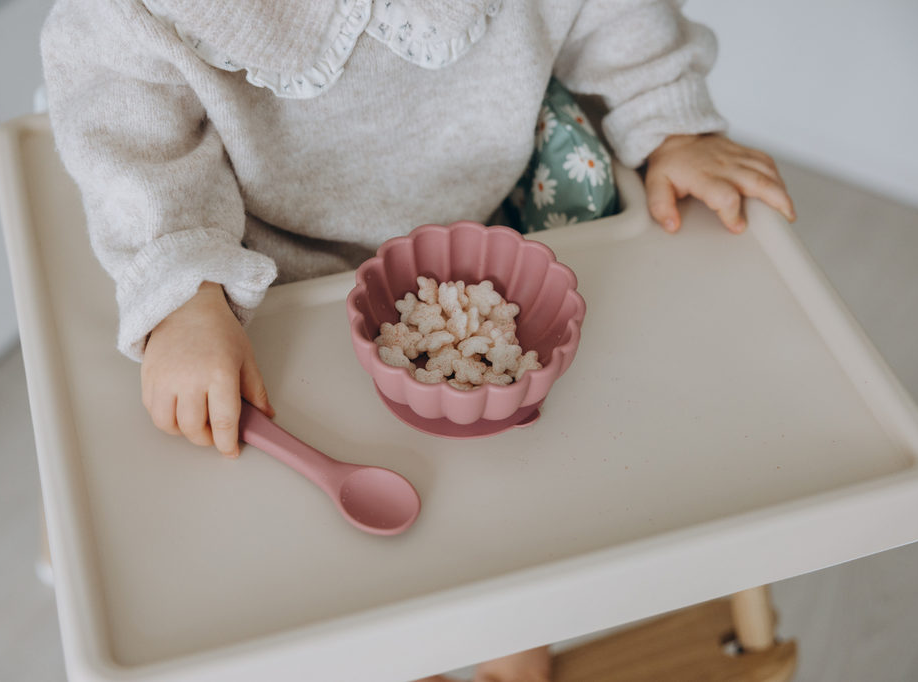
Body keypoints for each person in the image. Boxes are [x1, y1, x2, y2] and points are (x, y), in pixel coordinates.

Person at [41, 1, 795, 679]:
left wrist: (672, 123)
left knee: (512, 478)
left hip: (480, 242)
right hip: (266, 275)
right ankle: (387, 647)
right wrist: (185, 288)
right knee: (302, 528)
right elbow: (128, 128)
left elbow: (614, 15)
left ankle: (511, 631)